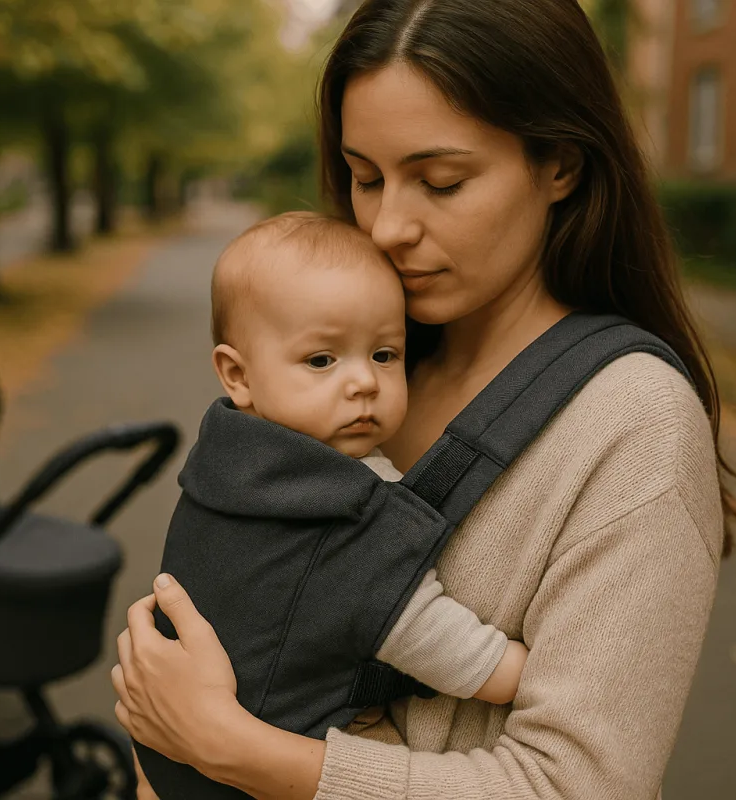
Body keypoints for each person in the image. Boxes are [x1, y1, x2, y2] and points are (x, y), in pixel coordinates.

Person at [112, 0, 736, 797]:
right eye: (365, 178)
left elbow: (578, 785)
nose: (387, 228)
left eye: (440, 182)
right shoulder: (350, 357)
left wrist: (235, 750)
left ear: (561, 164)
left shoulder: (634, 423)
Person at [133, 210, 529, 799]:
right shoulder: (335, 515)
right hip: (254, 776)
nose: (364, 382)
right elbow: (442, 644)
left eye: (385, 354)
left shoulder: (227, 465)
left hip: (168, 757)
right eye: (322, 360)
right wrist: (535, 671)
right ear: (237, 374)